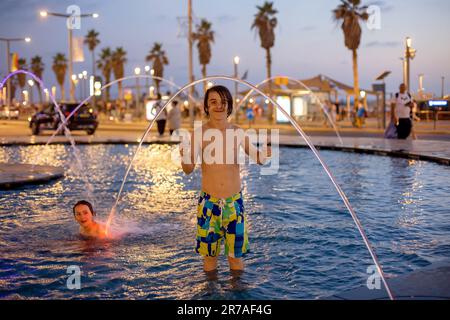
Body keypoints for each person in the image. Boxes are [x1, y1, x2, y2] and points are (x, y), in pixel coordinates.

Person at [180, 85, 272, 273]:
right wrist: (184, 156)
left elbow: (258, 158)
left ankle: (237, 295)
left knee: (236, 261)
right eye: (213, 102)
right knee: (209, 260)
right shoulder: (199, 134)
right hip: (209, 204)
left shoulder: (238, 132)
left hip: (233, 204)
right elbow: (188, 170)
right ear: (206, 106)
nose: (219, 106)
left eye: (223, 102)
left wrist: (265, 155)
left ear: (229, 105)